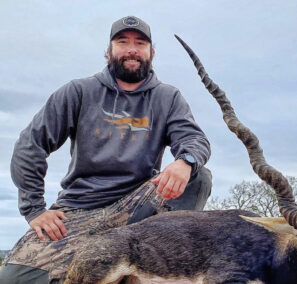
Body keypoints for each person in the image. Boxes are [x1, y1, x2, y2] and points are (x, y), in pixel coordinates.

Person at [0, 15, 212, 283]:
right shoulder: (78, 91)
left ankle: (161, 266)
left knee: (197, 175)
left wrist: (185, 160)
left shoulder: (168, 97)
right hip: (81, 209)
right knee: (15, 278)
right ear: (109, 51)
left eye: (140, 43)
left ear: (151, 53)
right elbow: (30, 146)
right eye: (123, 42)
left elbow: (195, 139)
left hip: (140, 207)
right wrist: (35, 209)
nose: (132, 49)